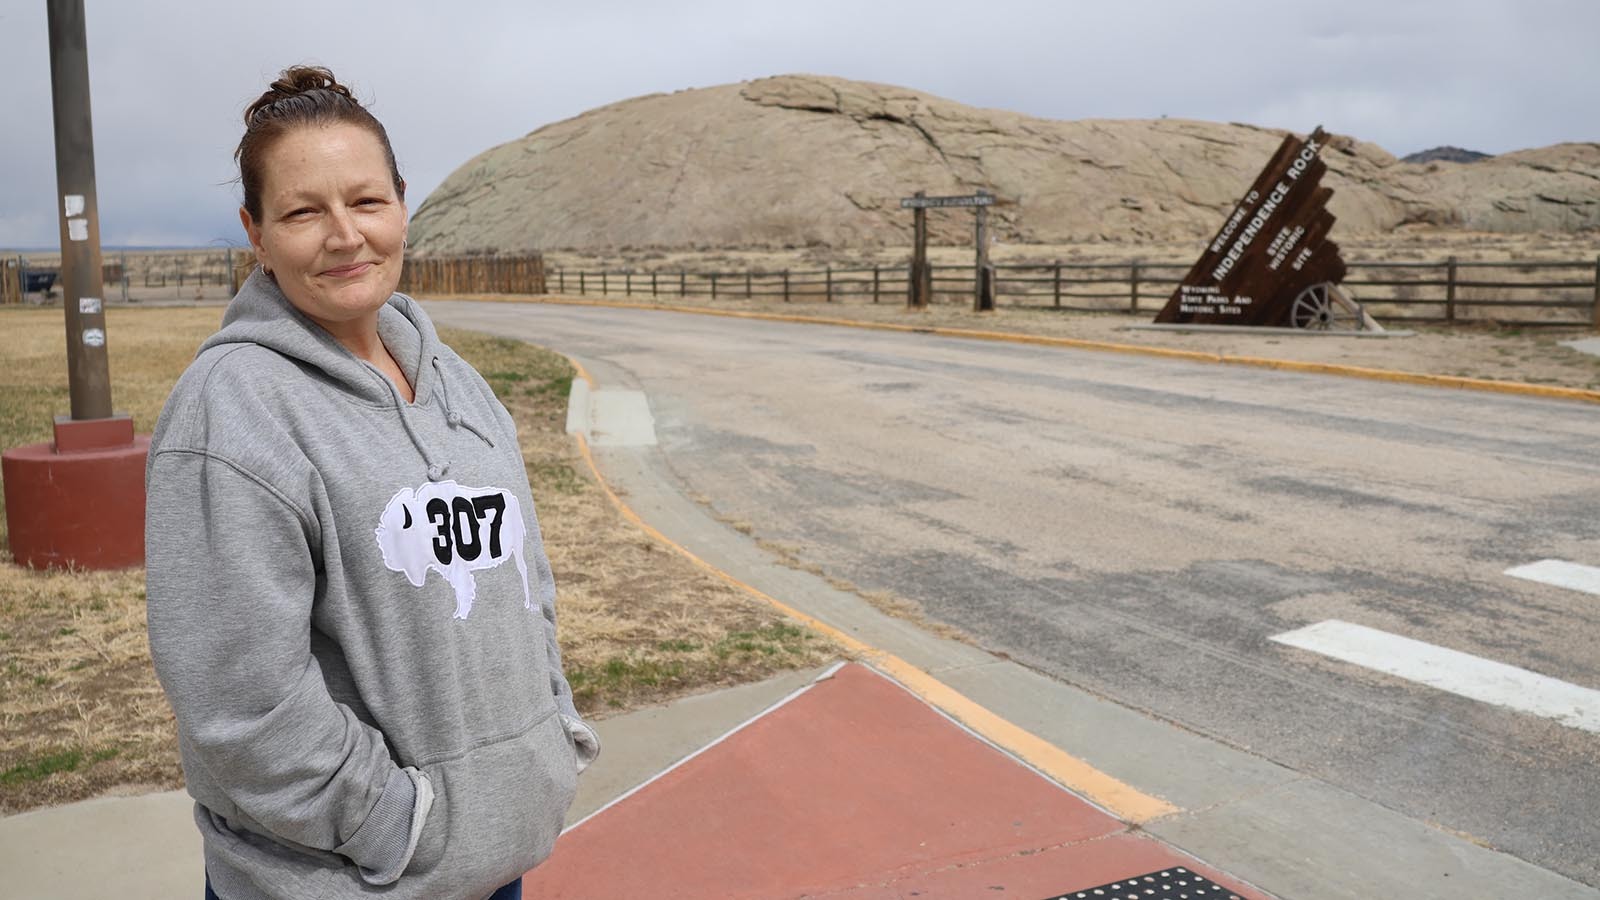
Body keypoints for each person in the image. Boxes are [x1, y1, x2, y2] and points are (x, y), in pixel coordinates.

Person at [145, 65, 598, 900]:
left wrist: (549, 734)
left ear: (401, 204)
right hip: (352, 879)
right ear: (256, 232)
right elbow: (240, 702)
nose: (344, 235)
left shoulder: (457, 382)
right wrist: (394, 824)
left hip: (495, 863)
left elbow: (523, 586)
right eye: (302, 211)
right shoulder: (233, 411)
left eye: (365, 201)